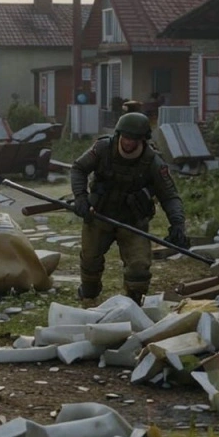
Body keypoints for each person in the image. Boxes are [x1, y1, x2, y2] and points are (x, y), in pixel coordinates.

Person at [69, 112, 189, 305]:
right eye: (125, 137)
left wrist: (177, 224)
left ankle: (133, 302)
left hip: (133, 220)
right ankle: (89, 294)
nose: (127, 142)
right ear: (118, 134)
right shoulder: (102, 148)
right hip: (100, 214)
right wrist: (81, 198)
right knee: (90, 260)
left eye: (133, 139)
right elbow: (78, 169)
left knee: (139, 268)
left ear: (142, 139)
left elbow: (170, 196)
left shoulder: (153, 162)